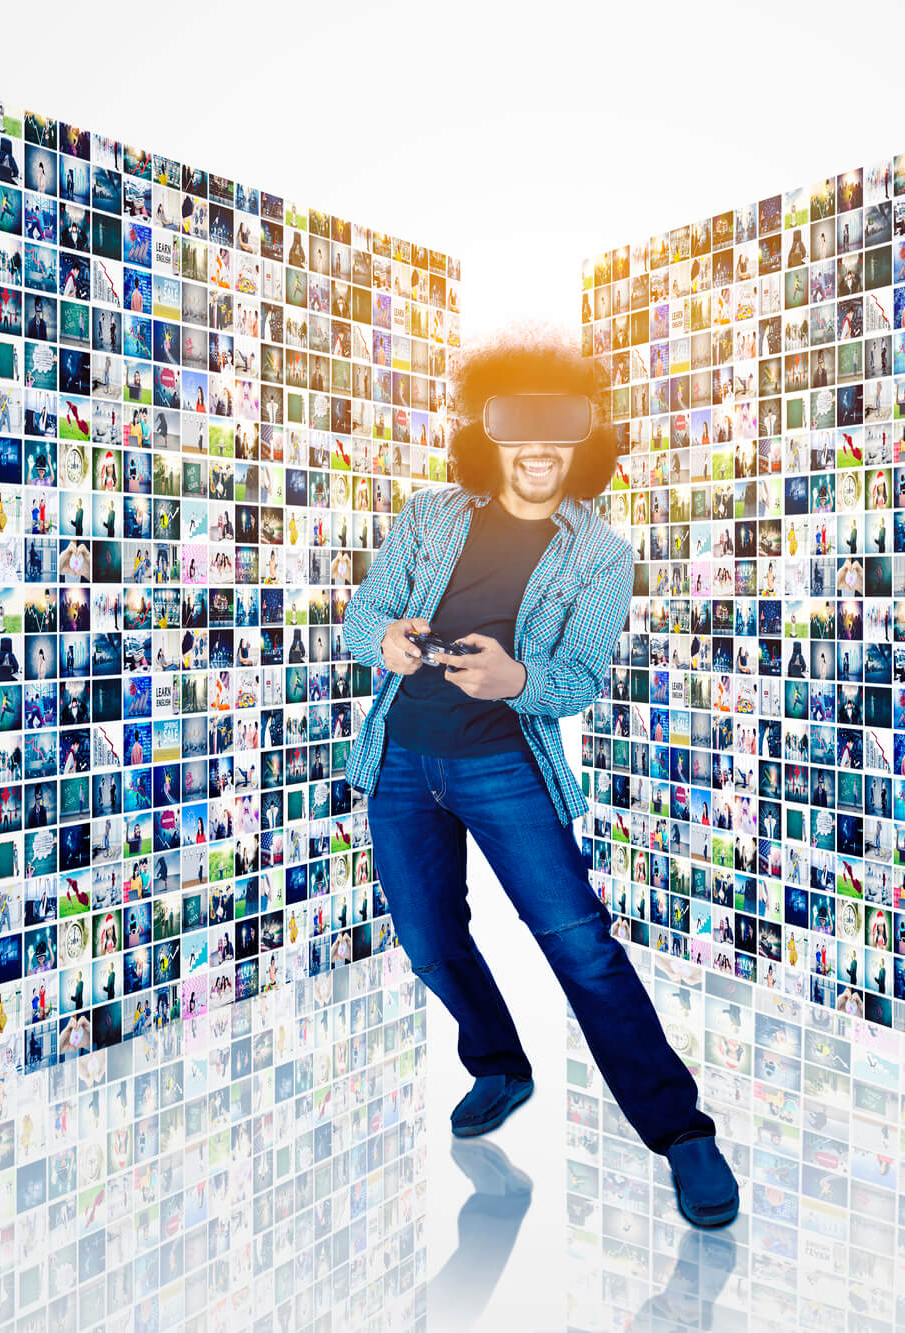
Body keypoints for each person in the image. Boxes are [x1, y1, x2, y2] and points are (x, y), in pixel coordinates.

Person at [344, 330, 735, 1227]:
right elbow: (366, 609)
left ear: (584, 437)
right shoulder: (429, 515)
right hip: (402, 760)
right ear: (490, 431)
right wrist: (387, 637)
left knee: (582, 947)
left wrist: (516, 680)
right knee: (428, 938)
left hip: (505, 768)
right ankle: (499, 1064)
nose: (538, 448)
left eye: (559, 427)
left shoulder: (601, 553)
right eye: (518, 425)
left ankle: (682, 1134)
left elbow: (582, 677)